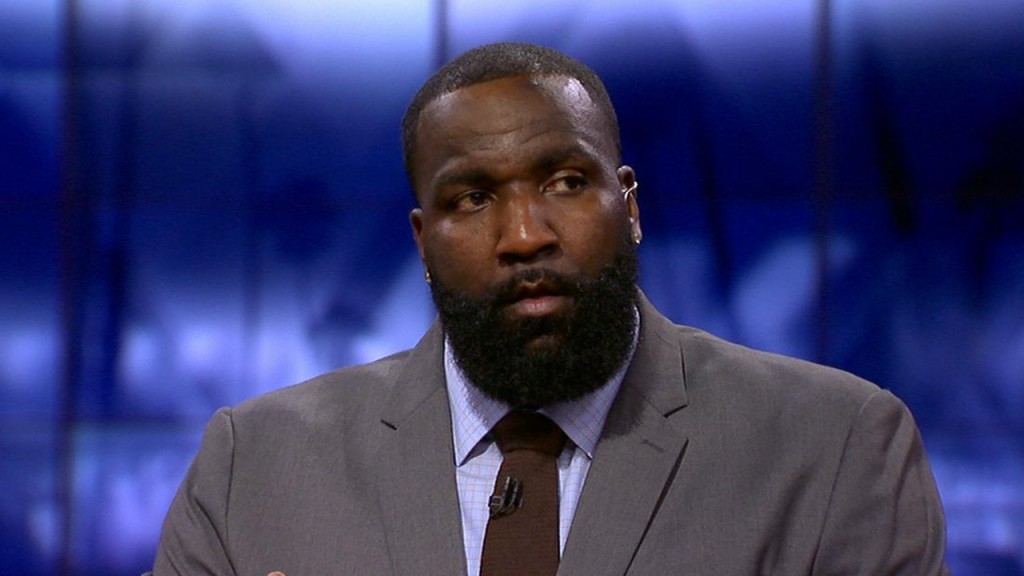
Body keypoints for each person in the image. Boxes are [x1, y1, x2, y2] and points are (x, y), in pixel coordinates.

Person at [149, 42, 948, 575]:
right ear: (423, 242)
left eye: (566, 182)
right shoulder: (253, 466)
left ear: (628, 204)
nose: (525, 235)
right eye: (473, 198)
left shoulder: (837, 447)